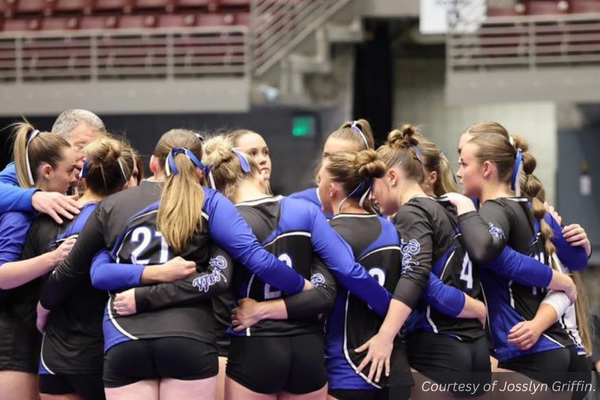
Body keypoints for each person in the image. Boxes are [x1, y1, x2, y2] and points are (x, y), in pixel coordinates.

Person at [37, 129, 311, 400]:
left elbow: (73, 269)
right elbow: (256, 258)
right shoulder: (210, 201)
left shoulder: (112, 205)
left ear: (153, 164)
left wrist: (44, 306)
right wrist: (299, 285)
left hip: (126, 339)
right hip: (188, 340)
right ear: (200, 169)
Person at [448, 131, 584, 393]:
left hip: (530, 350)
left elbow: (486, 251)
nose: (458, 173)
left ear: (487, 168)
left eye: (464, 164)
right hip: (552, 347)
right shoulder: (528, 206)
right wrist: (560, 279)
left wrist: (464, 207)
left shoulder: (494, 209)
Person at [37, 137, 134, 400]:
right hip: (104, 352)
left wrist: (41, 309)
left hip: (53, 356)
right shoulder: (125, 223)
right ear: (126, 185)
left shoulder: (46, 217)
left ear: (83, 178)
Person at [0, 122, 77, 400]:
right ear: (47, 171)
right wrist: (54, 258)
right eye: (70, 171)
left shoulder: (44, 204)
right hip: (13, 336)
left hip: (35, 332)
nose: (75, 178)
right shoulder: (17, 216)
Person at [0, 109, 106, 224]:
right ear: (58, 141)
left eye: (95, 151)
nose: (89, 158)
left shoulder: (96, 175)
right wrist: (35, 197)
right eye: (82, 147)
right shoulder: (29, 167)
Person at [290, 119, 375, 219]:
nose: (328, 164)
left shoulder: (376, 209)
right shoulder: (298, 204)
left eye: (339, 159)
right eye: (326, 156)